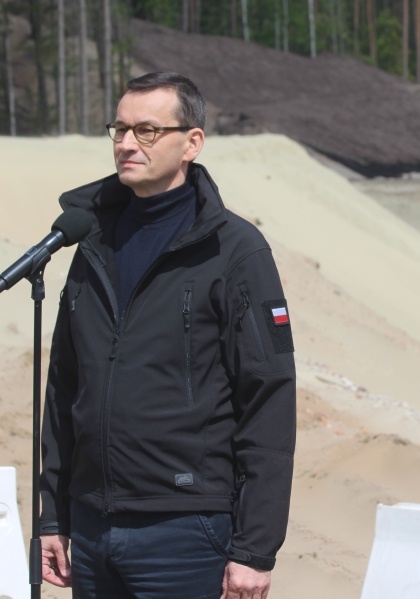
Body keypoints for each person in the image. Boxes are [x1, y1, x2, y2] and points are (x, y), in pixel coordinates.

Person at [39, 72, 296, 599]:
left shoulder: (236, 251)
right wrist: (52, 514)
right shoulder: (89, 241)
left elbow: (268, 398)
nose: (127, 143)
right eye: (120, 129)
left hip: (185, 531)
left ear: (192, 143)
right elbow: (65, 388)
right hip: (89, 530)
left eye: (148, 131)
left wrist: (254, 549)